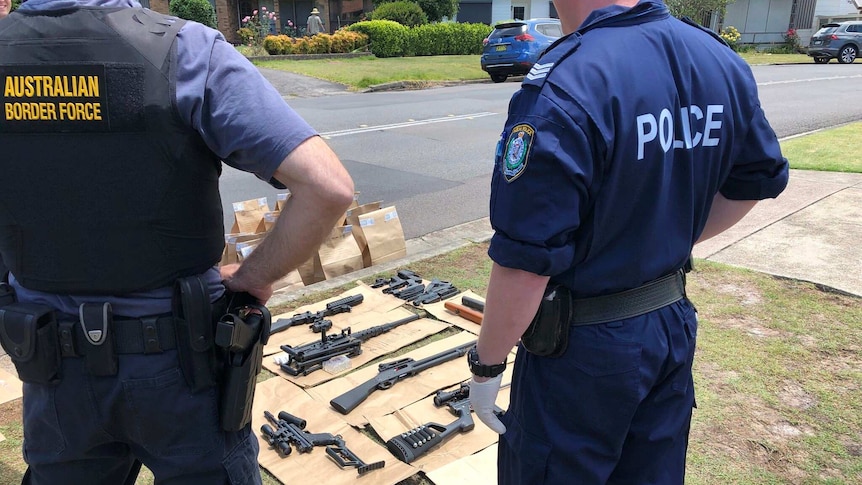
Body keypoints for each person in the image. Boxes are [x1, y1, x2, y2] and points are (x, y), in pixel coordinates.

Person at [0, 1, 354, 484]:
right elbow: (326, 187)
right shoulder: (184, 50)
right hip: (182, 370)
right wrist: (254, 277)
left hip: (52, 370)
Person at [466, 0, 789, 484]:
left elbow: (526, 263)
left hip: (582, 349)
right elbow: (755, 181)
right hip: (668, 324)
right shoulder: (716, 58)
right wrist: (664, 233)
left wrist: (487, 366)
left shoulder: (567, 79)